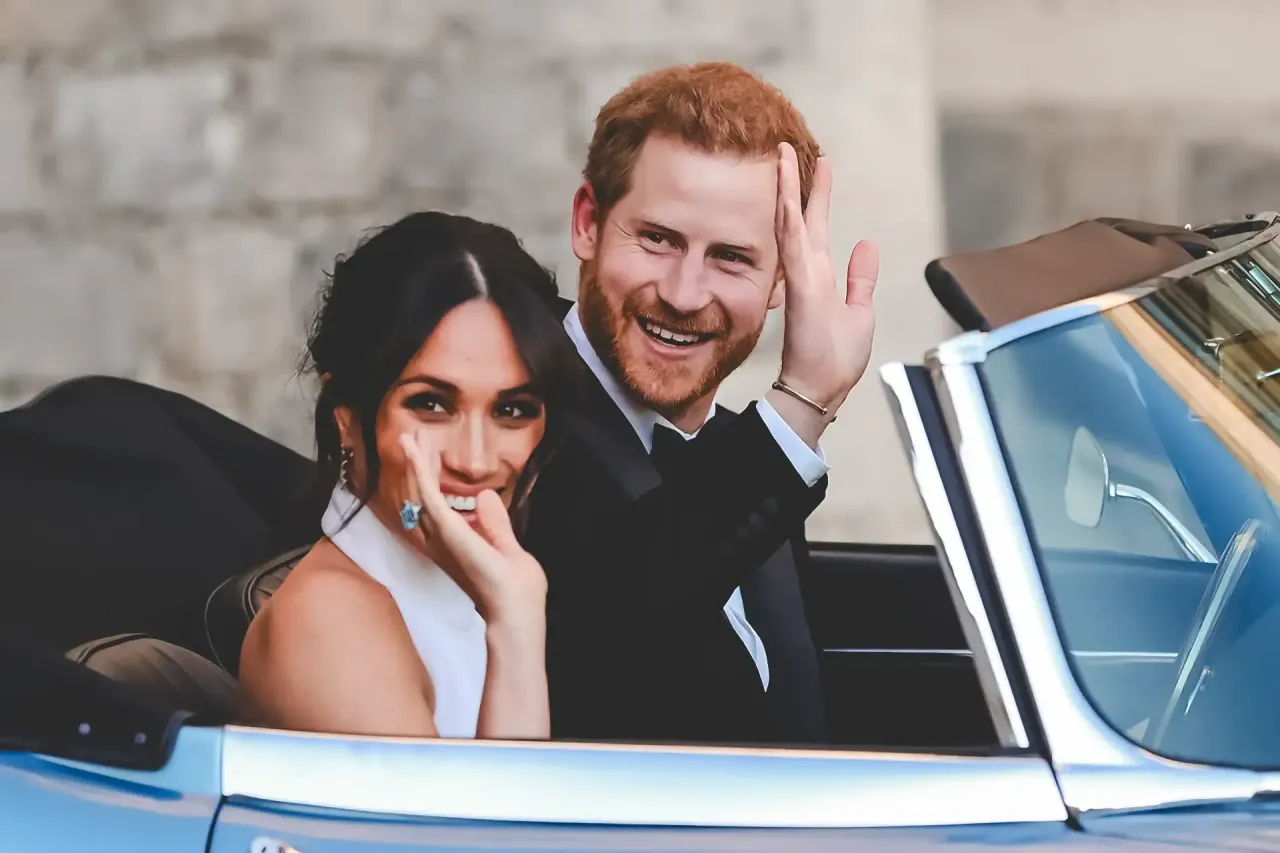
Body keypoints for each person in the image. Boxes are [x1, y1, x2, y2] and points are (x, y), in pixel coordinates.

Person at [524, 62, 880, 745]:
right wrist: (804, 402)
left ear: (783, 282)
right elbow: (609, 628)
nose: (684, 294)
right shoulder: (506, 419)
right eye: (658, 239)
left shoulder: (746, 453)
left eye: (731, 258)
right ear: (588, 223)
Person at [237, 211, 582, 739]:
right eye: (431, 404)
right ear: (346, 417)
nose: (474, 461)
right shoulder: (330, 621)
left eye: (511, 410)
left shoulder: (470, 586)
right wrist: (516, 624)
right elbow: (500, 801)